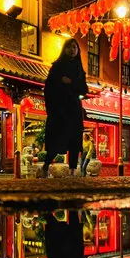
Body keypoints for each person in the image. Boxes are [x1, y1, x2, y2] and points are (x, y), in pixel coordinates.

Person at [40, 38, 88, 177]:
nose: (72, 50)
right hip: (59, 109)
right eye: (69, 47)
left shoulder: (79, 69)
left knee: (74, 139)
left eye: (75, 47)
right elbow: (48, 88)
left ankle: (72, 170)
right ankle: (46, 166)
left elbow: (83, 89)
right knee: (56, 138)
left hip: (73, 109)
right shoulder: (57, 67)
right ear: (64, 49)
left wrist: (70, 82)